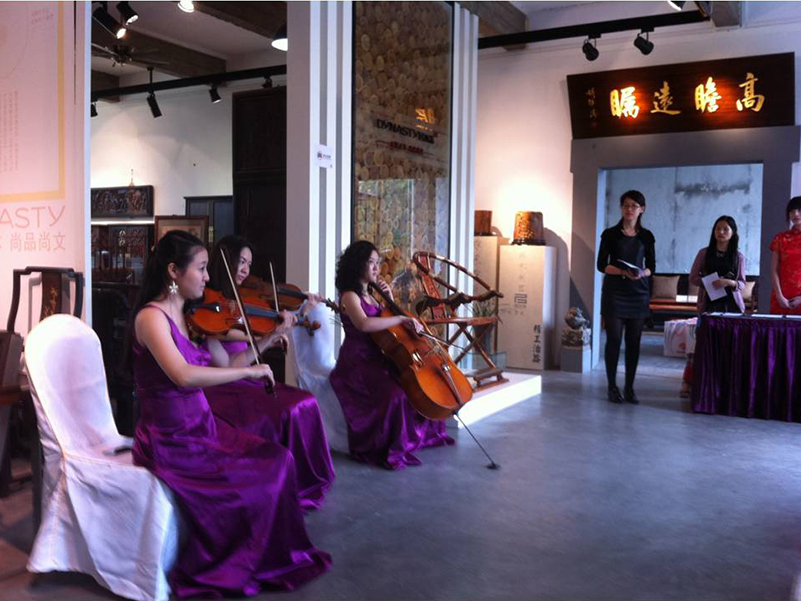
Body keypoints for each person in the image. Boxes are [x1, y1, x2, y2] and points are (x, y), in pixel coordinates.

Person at [129, 230, 330, 598]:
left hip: (201, 426)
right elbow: (183, 375)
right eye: (201, 268)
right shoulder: (151, 318)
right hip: (172, 439)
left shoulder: (186, 313)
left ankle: (267, 558)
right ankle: (232, 564)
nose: (208, 278)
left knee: (280, 459)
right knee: (262, 472)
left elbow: (225, 361)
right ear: (173, 271)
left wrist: (266, 341)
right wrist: (248, 374)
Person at [201, 234, 335, 510]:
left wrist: (285, 324)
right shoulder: (208, 307)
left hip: (244, 376)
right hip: (224, 387)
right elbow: (231, 358)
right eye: (241, 261)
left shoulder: (237, 300)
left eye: (249, 264)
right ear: (225, 260)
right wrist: (271, 335)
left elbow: (249, 332)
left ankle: (302, 481)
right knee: (293, 408)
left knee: (306, 402)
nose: (246, 270)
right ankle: (293, 484)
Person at [329, 240, 454, 469]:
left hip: (378, 356)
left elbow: (387, 327)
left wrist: (390, 301)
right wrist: (400, 317)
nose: (377, 268)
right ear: (358, 264)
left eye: (378, 263)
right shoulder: (349, 295)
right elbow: (364, 324)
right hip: (358, 363)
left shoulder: (371, 294)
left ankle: (415, 438)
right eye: (371, 263)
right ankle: (388, 444)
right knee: (395, 395)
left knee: (415, 387)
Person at [597, 190, 655, 405]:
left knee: (634, 342)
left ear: (642, 209)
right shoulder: (610, 234)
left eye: (634, 206)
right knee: (613, 339)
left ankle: (629, 387)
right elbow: (601, 265)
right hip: (615, 293)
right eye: (626, 205)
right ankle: (612, 386)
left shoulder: (646, 236)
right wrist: (622, 271)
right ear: (621, 208)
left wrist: (641, 273)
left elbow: (652, 267)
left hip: (638, 293)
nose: (629, 209)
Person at [680, 216, 747, 397]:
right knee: (702, 346)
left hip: (732, 307)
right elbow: (693, 278)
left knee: (729, 348)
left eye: (725, 229)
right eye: (718, 228)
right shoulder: (704, 253)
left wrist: (729, 282)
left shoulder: (738, 256)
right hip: (709, 305)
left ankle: (726, 386)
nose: (721, 232)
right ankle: (694, 383)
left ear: (733, 233)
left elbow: (742, 283)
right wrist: (709, 282)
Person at [769, 196, 801, 315]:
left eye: (799, 210)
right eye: (792, 211)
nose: (795, 214)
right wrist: (779, 296)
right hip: (782, 298)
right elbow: (774, 270)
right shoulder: (780, 238)